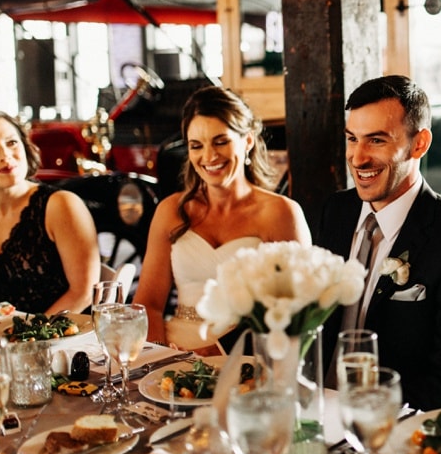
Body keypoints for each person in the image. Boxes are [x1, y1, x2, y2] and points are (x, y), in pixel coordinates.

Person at [312, 75, 441, 411]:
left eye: (376, 141)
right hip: (312, 411)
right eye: (352, 139)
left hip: (394, 428)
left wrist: (361, 410)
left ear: (419, 144)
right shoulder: (335, 212)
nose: (357, 158)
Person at [132, 85, 309, 355]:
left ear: (248, 140)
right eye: (196, 146)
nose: (209, 157)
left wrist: (219, 352)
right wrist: (158, 358)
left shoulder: (281, 213)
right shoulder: (171, 211)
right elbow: (149, 304)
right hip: (175, 351)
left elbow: (295, 308)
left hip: (249, 354)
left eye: (220, 141)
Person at [0, 110, 99, 316]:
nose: (5, 155)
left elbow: (84, 293)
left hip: (67, 333)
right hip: (1, 338)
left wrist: (28, 335)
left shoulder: (61, 204)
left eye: (12, 143)